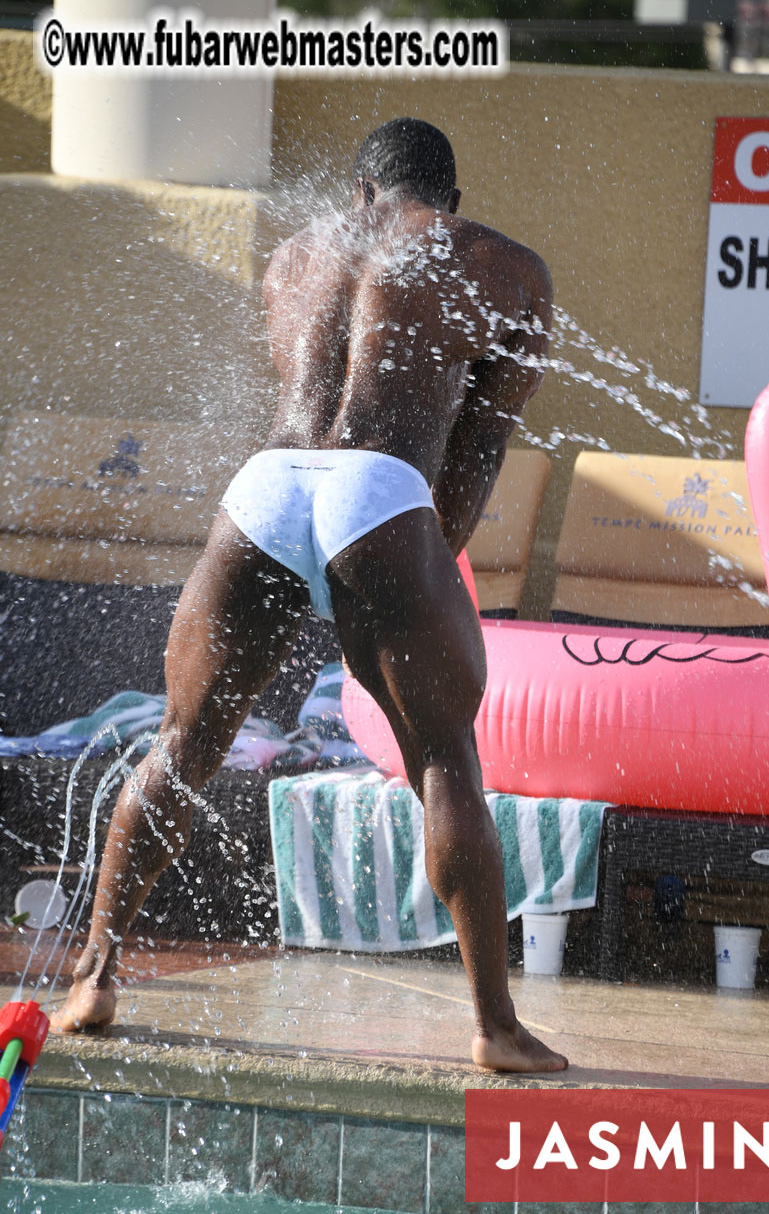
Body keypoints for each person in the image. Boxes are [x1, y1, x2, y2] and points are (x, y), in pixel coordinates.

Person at [52, 118, 566, 1074]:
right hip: (380, 490)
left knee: (183, 742)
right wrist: (411, 573)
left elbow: (308, 396)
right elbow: (480, 442)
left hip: (266, 488)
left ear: (363, 191)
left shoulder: (297, 254)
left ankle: (95, 972)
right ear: (447, 201)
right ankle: (496, 1027)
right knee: (447, 759)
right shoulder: (501, 265)